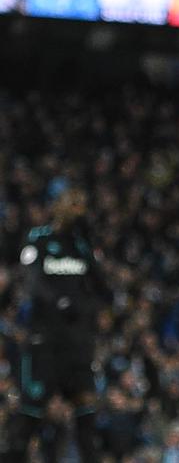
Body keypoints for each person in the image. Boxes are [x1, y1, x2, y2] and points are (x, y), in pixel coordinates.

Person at [7, 188, 109, 462]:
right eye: (72, 202)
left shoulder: (82, 244)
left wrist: (90, 240)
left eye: (81, 203)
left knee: (86, 424)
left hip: (78, 346)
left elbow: (103, 288)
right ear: (57, 206)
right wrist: (60, 300)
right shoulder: (39, 238)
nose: (78, 208)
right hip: (45, 343)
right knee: (28, 418)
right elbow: (32, 281)